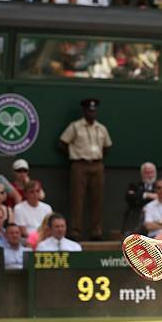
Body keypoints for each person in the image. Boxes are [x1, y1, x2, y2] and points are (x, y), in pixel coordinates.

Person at [59, 98, 113, 241]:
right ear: (84, 111)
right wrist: (75, 155)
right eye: (89, 110)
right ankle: (75, 231)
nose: (92, 112)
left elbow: (107, 146)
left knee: (97, 199)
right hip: (79, 165)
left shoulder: (101, 128)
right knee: (77, 198)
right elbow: (62, 143)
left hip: (97, 164)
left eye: (94, 110)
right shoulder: (75, 126)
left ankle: (96, 231)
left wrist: (96, 157)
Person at [123, 162, 157, 234]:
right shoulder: (134, 185)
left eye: (151, 172)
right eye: (147, 173)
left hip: (155, 216)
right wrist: (147, 195)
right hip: (137, 215)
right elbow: (130, 198)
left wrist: (140, 195)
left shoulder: (160, 186)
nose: (150, 175)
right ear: (142, 174)